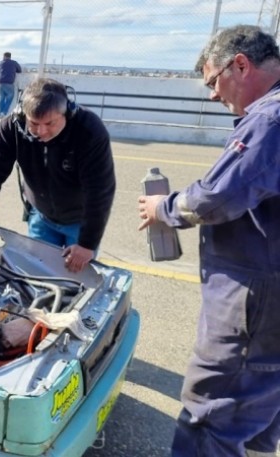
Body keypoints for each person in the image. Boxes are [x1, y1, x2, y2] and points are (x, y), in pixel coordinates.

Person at [138, 25, 280, 457]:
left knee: (211, 415)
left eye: (213, 81)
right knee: (260, 406)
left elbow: (216, 197)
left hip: (255, 296)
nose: (213, 96)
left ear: (241, 64)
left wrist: (162, 209)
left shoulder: (269, 119)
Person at [0, 77, 116, 273]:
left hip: (80, 221)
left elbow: (100, 190)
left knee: (76, 279)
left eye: (50, 123)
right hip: (41, 216)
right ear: (22, 113)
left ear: (68, 112)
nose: (41, 131)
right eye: (33, 123)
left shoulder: (89, 131)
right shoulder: (12, 127)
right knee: (39, 273)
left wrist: (87, 244)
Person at [0, 51, 22, 117]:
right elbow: (19, 70)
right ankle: (4, 112)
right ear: (10, 57)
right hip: (9, 82)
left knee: (1, 98)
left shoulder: (0, 63)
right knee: (10, 97)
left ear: (4, 56)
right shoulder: (14, 63)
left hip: (0, 82)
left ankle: (0, 112)